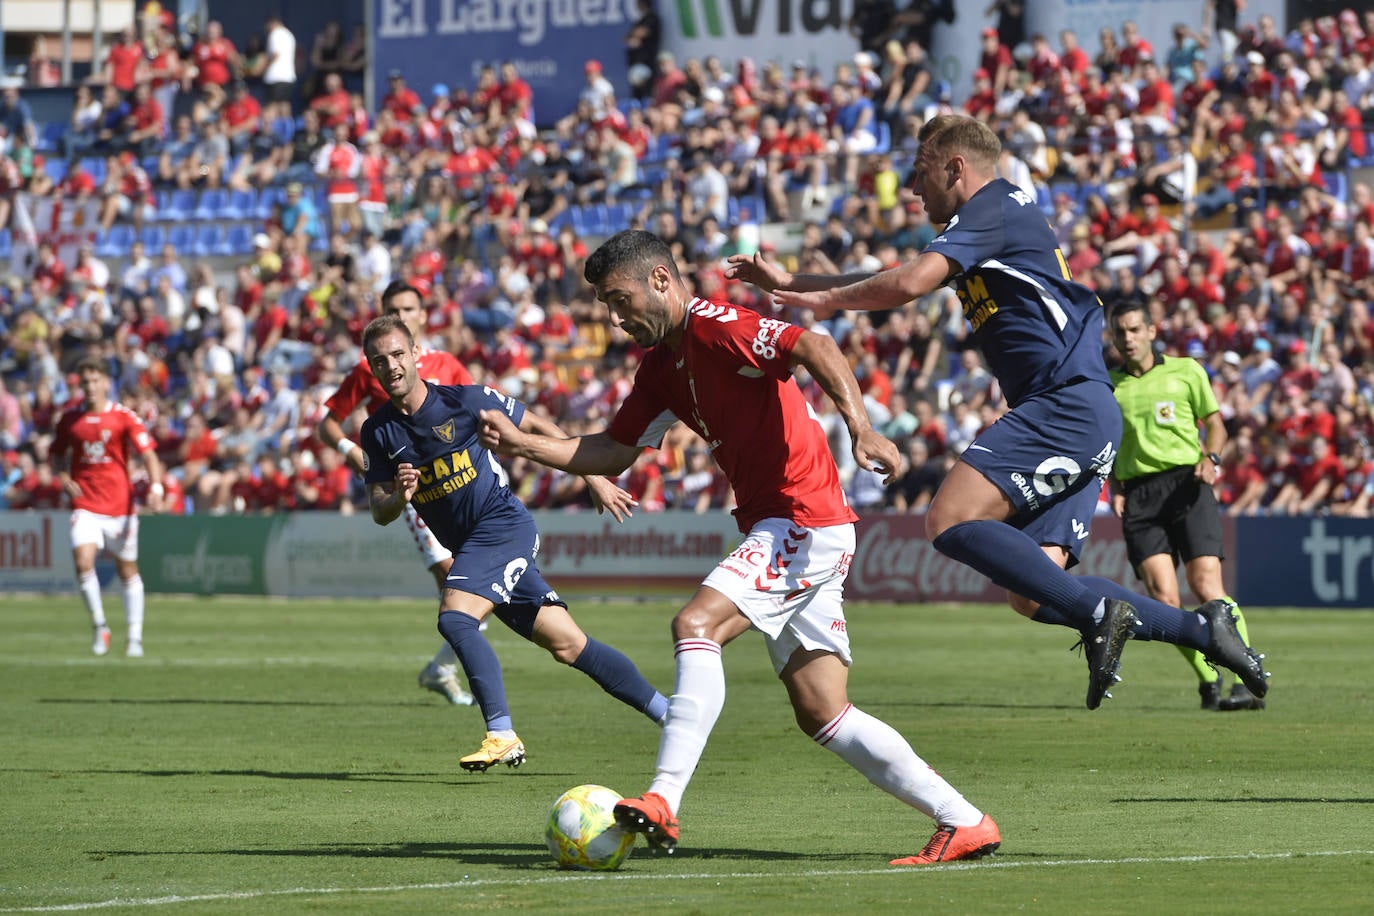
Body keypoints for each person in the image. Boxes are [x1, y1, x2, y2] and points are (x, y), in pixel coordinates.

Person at [480, 229, 1000, 866]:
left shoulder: (713, 324)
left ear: (663, 282)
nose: (616, 318)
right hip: (790, 523)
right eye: (606, 307)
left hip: (799, 516)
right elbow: (613, 450)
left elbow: (813, 342)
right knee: (822, 710)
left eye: (621, 300)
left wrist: (860, 428)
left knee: (695, 623)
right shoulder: (661, 368)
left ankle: (663, 798)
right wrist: (524, 445)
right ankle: (965, 820)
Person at [726, 114, 1268, 710]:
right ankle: (1202, 632)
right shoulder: (987, 223)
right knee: (1035, 592)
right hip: (1082, 409)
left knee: (947, 520)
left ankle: (1101, 615)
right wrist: (798, 283)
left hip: (1064, 403)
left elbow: (908, 283)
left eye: (921, 170)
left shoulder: (994, 206)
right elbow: (905, 278)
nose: (912, 187)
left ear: (956, 167)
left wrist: (819, 299)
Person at [358, 313, 668, 771]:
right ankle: (673, 714)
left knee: (456, 619)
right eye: (379, 361)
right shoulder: (377, 432)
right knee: (569, 644)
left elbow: (538, 424)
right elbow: (380, 511)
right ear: (372, 367)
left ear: (416, 353)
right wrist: (399, 495)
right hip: (474, 549)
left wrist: (595, 478)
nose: (392, 367)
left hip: (503, 527)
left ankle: (501, 733)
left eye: (398, 355)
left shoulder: (467, 400)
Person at [319, 280, 477, 706]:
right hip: (414, 493)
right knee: (458, 586)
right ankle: (466, 679)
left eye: (408, 309)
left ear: (423, 316)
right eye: (393, 309)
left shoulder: (448, 364)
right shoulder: (369, 369)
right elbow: (327, 423)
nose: (401, 316)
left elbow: (478, 414)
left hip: (464, 489)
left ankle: (444, 667)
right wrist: (356, 455)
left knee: (479, 591)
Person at [1107, 302, 1264, 711]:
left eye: (1135, 329)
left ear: (1152, 330)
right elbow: (1107, 443)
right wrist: (1116, 484)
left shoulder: (1186, 371)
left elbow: (1215, 424)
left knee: (1207, 584)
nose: (1128, 338)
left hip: (1187, 483)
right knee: (1164, 599)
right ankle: (1209, 679)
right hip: (1138, 494)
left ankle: (1247, 677)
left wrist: (1211, 458)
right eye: (1120, 332)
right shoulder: (1109, 385)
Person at [51, 355, 165, 657]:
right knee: (83, 561)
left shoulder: (123, 417)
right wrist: (64, 477)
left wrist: (155, 486)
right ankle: (100, 626)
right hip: (85, 504)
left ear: (106, 383)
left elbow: (149, 454)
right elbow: (57, 455)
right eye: (84, 382)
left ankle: (135, 637)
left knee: (127, 570)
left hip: (120, 507)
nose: (89, 387)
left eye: (94, 381)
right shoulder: (70, 419)